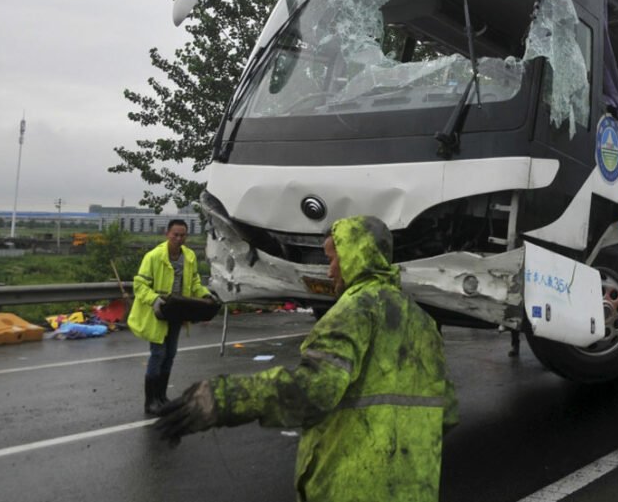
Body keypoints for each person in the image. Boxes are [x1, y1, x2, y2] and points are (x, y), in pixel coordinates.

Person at [155, 215, 458, 502]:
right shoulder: (422, 321)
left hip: (353, 487)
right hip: (415, 487)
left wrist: (223, 399)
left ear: (356, 256)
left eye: (332, 259)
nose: (329, 271)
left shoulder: (352, 312)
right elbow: (447, 410)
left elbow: (314, 390)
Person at [129, 219, 215, 415]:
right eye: (175, 234)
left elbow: (194, 282)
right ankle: (150, 402)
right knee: (158, 354)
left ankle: (162, 398)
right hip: (158, 312)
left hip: (177, 311)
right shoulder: (154, 257)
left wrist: (204, 294)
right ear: (167, 234)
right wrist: (155, 299)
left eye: (182, 235)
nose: (179, 238)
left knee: (170, 354)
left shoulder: (189, 256)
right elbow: (140, 286)